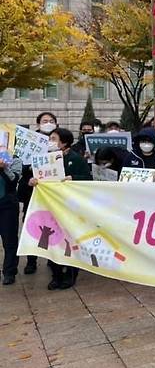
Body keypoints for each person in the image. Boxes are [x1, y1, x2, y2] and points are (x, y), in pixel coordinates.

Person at [29, 128, 91, 290]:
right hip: (49, 207)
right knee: (53, 241)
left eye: (54, 138)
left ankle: (70, 274)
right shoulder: (43, 160)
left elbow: (88, 179)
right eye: (50, 138)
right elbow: (35, 179)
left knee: (69, 242)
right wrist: (33, 181)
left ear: (64, 142)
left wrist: (73, 178)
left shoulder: (76, 159)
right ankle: (56, 275)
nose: (50, 141)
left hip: (70, 208)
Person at [17, 111, 58, 276]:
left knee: (53, 226)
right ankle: (31, 261)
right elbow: (20, 165)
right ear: (38, 124)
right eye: (44, 121)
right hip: (32, 192)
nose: (48, 123)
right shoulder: (30, 143)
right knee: (32, 224)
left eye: (51, 120)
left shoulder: (59, 141)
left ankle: (52, 258)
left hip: (54, 194)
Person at [0, 155, 22, 285]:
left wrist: (4, 168)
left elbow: (14, 181)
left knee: (9, 240)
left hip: (7, 206)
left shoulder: (15, 160)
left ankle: (9, 272)